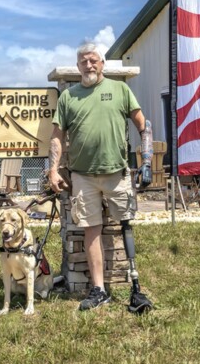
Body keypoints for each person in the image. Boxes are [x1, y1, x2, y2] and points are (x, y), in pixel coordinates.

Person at [49, 42, 153, 313]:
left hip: (117, 174)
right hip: (82, 177)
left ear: (102, 63)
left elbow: (144, 125)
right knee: (90, 231)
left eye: (93, 60)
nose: (89, 65)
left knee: (125, 225)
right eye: (83, 61)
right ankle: (99, 290)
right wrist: (52, 169)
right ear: (78, 65)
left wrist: (148, 161)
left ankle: (134, 286)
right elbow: (57, 137)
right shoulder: (68, 97)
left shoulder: (120, 89)